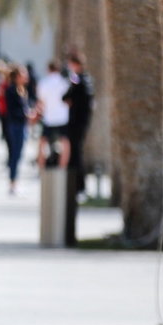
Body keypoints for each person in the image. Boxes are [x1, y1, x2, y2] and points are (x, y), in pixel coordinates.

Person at [63, 49, 95, 243]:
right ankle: (79, 185)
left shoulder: (78, 80)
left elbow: (66, 97)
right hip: (82, 123)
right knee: (77, 153)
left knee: (76, 155)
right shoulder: (87, 80)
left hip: (76, 123)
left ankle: (78, 185)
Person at [1, 65, 34, 194]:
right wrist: (26, 114)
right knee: (15, 154)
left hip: (21, 125)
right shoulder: (11, 90)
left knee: (19, 154)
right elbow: (13, 110)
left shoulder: (22, 90)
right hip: (15, 125)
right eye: (23, 74)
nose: (26, 77)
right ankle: (12, 182)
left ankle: (15, 181)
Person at [35, 59, 71, 171]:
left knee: (42, 142)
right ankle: (62, 167)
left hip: (48, 117)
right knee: (65, 143)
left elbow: (41, 102)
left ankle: (41, 168)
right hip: (62, 117)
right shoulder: (64, 83)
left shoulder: (43, 83)